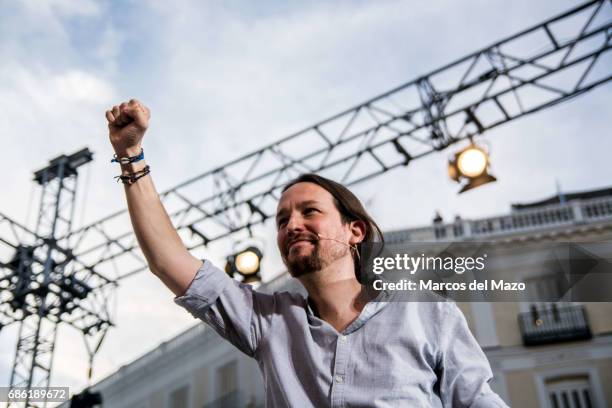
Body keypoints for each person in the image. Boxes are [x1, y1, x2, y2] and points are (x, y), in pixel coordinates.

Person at [105, 99, 509, 407]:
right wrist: (130, 155)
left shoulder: (427, 314)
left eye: (309, 212)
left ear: (355, 231)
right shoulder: (268, 322)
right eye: (282, 220)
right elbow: (168, 261)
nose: (291, 225)